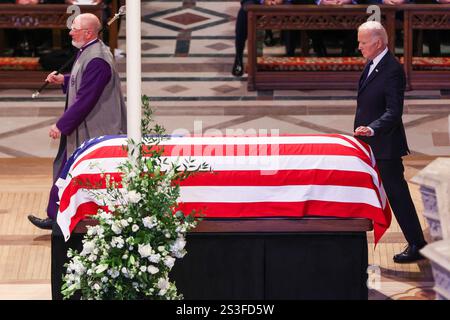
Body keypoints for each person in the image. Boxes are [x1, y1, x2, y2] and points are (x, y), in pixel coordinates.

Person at [28, 13, 127, 229]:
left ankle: (60, 219)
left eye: (75, 28)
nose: (70, 32)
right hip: (85, 127)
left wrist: (61, 125)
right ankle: (56, 217)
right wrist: (63, 79)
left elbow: (86, 99)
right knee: (66, 169)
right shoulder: (89, 51)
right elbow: (83, 81)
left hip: (95, 129)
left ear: (88, 32)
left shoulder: (98, 59)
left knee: (72, 172)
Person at [353, 21, 427, 263]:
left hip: (385, 144)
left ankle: (416, 243)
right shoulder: (374, 63)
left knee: (398, 195)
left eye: (363, 42)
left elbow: (394, 112)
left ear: (377, 42)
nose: (359, 46)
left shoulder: (392, 70)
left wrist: (372, 129)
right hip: (370, 141)